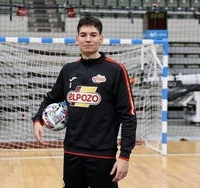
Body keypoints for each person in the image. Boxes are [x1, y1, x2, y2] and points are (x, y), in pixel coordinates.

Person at [33, 16, 137, 188]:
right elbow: (51, 98)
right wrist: (38, 120)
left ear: (101, 39)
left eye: (93, 34)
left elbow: (129, 116)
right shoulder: (68, 70)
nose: (88, 39)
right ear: (77, 39)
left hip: (103, 155)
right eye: (83, 35)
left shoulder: (116, 70)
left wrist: (125, 156)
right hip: (72, 152)